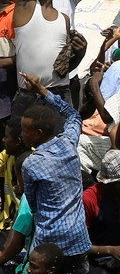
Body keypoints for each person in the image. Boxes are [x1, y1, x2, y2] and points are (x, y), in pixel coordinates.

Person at [20, 74, 91, 273]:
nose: (21, 135)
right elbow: (74, 115)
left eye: (25, 131)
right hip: (77, 240)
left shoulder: (31, 164)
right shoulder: (69, 144)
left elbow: (33, 206)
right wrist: (43, 91)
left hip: (48, 247)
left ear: (38, 133)